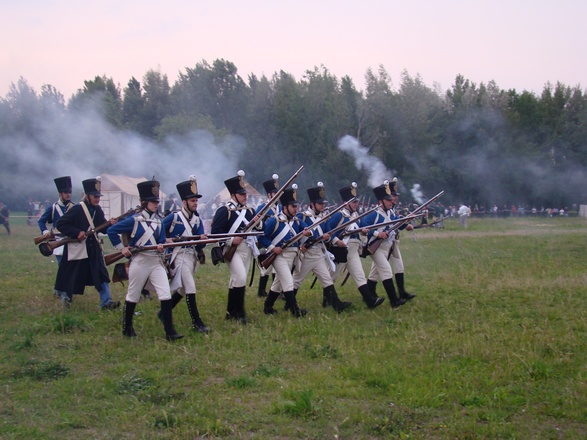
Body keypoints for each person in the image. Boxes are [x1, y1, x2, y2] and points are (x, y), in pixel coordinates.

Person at [107, 180, 183, 340]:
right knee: (133, 295)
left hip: (155, 261)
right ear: (144, 202)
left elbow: (161, 240)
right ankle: (127, 329)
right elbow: (111, 230)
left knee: (165, 294)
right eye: (153, 201)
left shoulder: (158, 222)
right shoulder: (134, 220)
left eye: (157, 201)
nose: (156, 204)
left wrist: (162, 246)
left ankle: (170, 332)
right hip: (140, 261)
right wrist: (122, 248)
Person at [54, 177, 121, 310]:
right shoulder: (78, 209)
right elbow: (61, 224)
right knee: (71, 275)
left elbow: (102, 228)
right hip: (77, 248)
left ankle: (106, 302)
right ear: (87, 196)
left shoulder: (97, 210)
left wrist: (111, 224)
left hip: (93, 248)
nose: (97, 198)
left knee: (102, 274)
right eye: (95, 196)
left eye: (98, 196)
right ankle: (66, 299)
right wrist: (77, 232)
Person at [211, 170, 262, 324]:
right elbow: (215, 232)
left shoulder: (250, 211)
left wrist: (258, 221)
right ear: (233, 195)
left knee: (237, 280)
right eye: (241, 194)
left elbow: (259, 229)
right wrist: (231, 240)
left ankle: (230, 312)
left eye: (245, 193)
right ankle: (240, 313)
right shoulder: (224, 211)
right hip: (231, 251)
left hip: (246, 249)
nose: (245, 196)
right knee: (240, 278)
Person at [293, 182, 352, 313]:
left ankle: (337, 305)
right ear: (312, 204)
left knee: (327, 280)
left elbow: (329, 233)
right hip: (306, 254)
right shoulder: (302, 216)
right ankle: (289, 304)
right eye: (320, 204)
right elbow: (295, 234)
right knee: (296, 281)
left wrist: (328, 237)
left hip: (319, 253)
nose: (323, 206)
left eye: (324, 204)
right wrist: (300, 245)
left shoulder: (323, 218)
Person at [162, 176, 209, 333]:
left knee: (182, 290)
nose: (195, 203)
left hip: (191, 257)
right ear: (184, 202)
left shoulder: (197, 220)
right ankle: (197, 322)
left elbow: (200, 243)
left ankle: (163, 312)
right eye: (192, 201)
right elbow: (157, 232)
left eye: (196, 201)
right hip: (177, 256)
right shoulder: (174, 217)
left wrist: (202, 240)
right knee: (190, 287)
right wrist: (166, 240)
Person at [328, 182, 385, 309]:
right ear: (346, 203)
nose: (356, 204)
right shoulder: (339, 215)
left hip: (353, 250)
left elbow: (358, 230)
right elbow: (328, 230)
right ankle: (327, 300)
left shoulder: (355, 216)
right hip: (341, 250)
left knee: (360, 276)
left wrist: (363, 231)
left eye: (356, 202)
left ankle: (370, 302)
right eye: (353, 202)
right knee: (332, 278)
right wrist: (336, 241)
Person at [259, 186, 311, 317]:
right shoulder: (274, 220)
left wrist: (309, 232)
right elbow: (262, 237)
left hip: (293, 255)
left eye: (296, 206)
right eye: (293, 206)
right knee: (288, 282)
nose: (296, 209)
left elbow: (308, 230)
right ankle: (295, 311)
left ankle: (268, 306)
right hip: (279, 256)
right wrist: (272, 248)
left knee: (277, 284)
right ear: (285, 207)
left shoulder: (297, 221)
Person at [360, 179, 412, 308]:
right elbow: (363, 226)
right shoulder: (374, 214)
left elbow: (397, 222)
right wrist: (378, 234)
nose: (391, 202)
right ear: (380, 201)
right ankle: (394, 301)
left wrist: (406, 224)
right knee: (386, 271)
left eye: (391, 200)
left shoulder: (390, 212)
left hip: (386, 246)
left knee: (376, 272)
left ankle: (370, 293)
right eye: (388, 200)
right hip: (376, 248)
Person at [38, 176, 75, 298]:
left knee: (69, 270)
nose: (68, 194)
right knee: (63, 269)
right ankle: (66, 297)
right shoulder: (53, 208)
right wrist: (44, 232)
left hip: (71, 241)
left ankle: (59, 290)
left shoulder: (75, 207)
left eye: (69, 192)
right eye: (66, 192)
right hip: (58, 242)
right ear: (60, 193)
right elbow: (41, 221)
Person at [255, 174, 281, 298]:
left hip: (278, 241)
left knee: (277, 268)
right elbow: (255, 224)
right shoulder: (262, 208)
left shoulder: (281, 208)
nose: (277, 195)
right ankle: (261, 291)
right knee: (266, 268)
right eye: (274, 193)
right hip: (265, 241)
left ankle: (276, 291)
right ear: (269, 195)